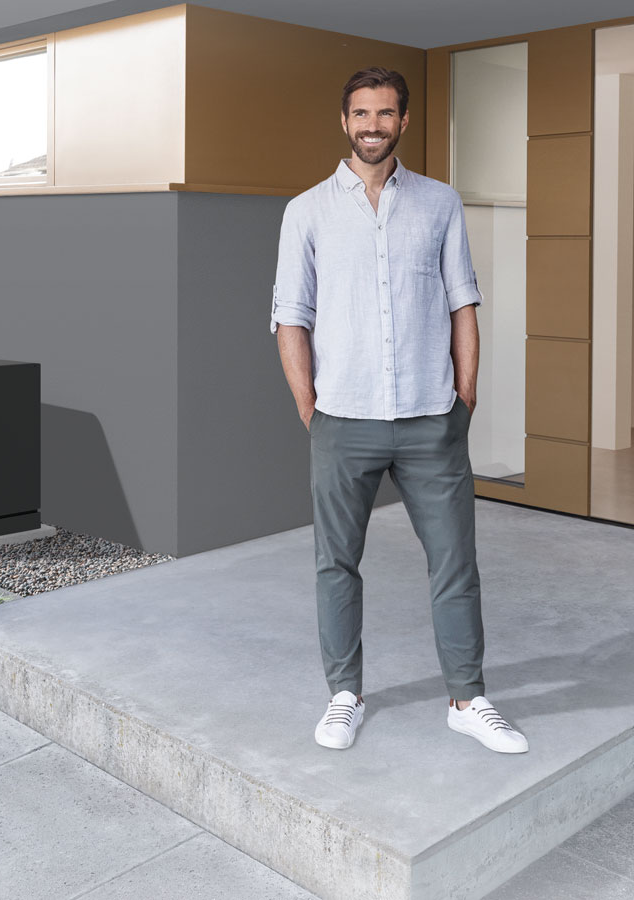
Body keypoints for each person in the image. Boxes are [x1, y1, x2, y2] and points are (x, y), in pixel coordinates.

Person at [269, 66, 528, 755]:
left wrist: (463, 399)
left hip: (429, 418)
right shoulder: (306, 212)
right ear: (344, 121)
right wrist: (312, 409)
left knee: (455, 562)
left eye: (385, 113)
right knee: (336, 563)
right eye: (361, 113)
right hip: (343, 419)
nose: (373, 126)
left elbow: (462, 302)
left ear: (404, 121)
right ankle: (344, 695)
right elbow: (290, 317)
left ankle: (467, 699)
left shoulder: (440, 203)